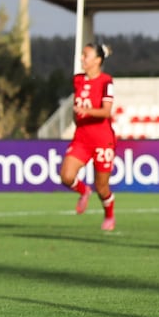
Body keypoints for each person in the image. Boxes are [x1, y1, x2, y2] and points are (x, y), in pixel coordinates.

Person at [59, 42, 116, 231]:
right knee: (66, 177)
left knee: (103, 188)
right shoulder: (78, 80)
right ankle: (84, 191)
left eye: (86, 55)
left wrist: (87, 110)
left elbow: (106, 112)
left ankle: (109, 215)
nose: (82, 58)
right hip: (82, 138)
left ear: (98, 60)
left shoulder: (106, 81)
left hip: (102, 140)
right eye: (82, 55)